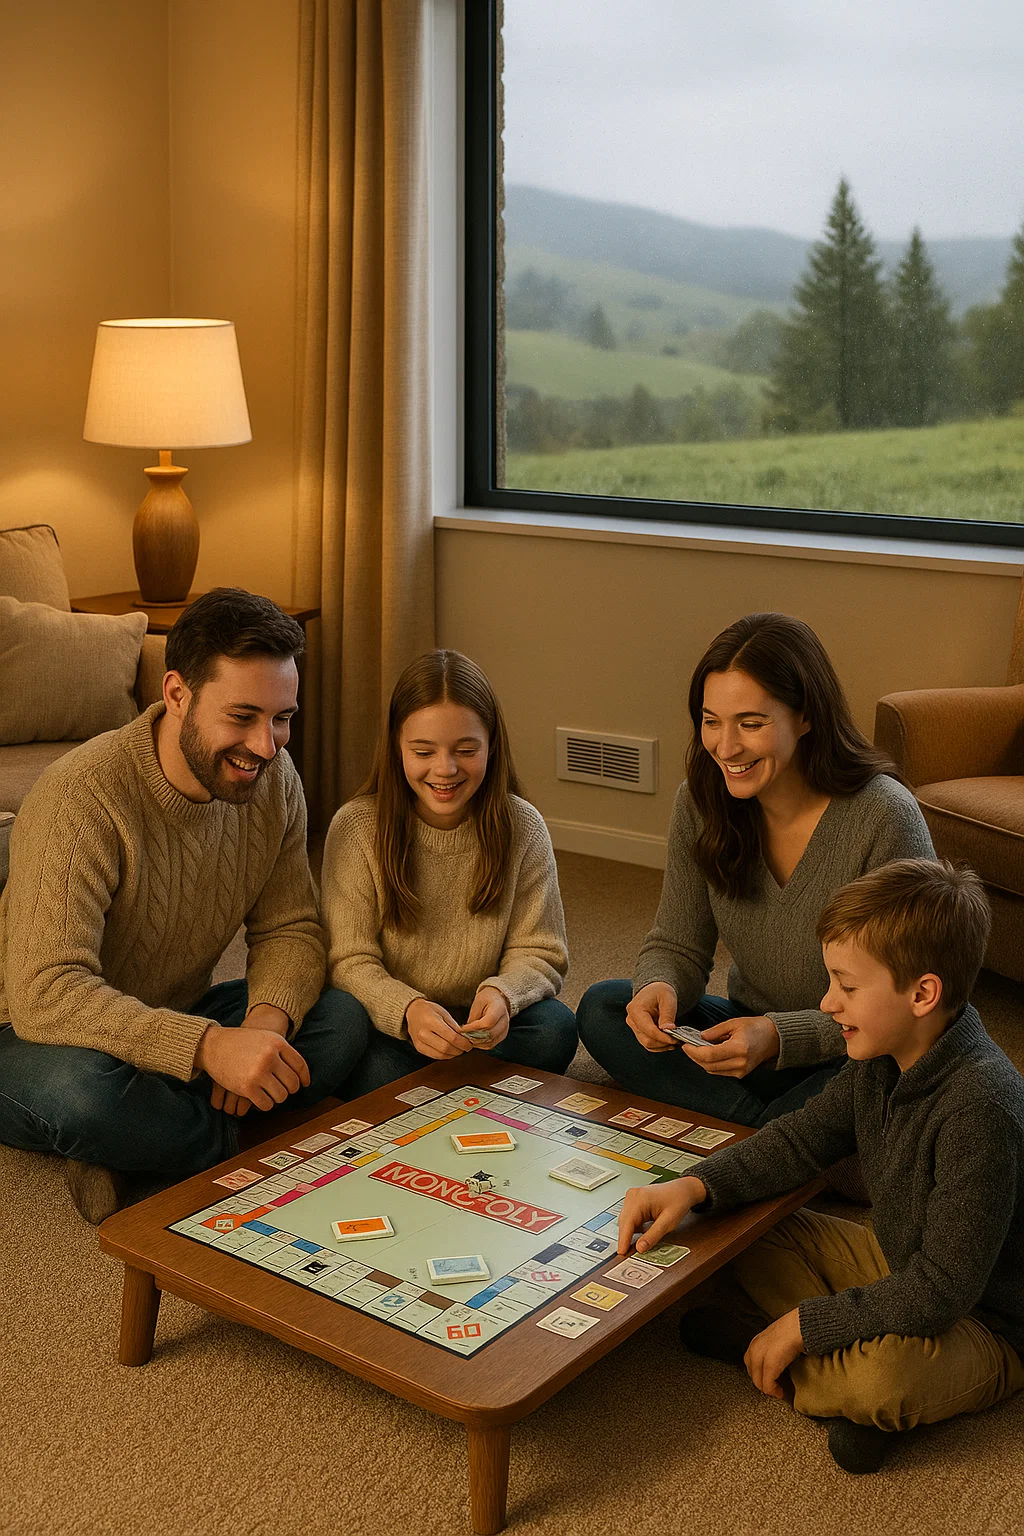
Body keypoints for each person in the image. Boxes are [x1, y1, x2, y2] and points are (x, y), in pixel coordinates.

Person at [617, 859, 1024, 1474]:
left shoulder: (981, 1106)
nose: (827, 1002)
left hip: (988, 1321)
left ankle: (792, 1357)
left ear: (922, 994)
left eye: (846, 985)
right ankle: (821, 1376)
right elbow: (799, 1141)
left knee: (883, 1379)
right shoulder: (880, 1054)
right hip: (903, 1260)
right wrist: (698, 1184)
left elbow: (943, 1292)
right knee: (739, 1227)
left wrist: (805, 1325)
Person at [0, 588, 368, 1223]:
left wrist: (261, 1030)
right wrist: (206, 1050)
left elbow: (292, 930)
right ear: (176, 695)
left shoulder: (275, 781)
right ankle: (255, 1139)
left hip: (176, 1009)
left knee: (343, 1016)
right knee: (86, 1098)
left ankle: (145, 1148)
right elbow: (44, 994)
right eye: (243, 716)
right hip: (34, 1037)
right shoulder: (80, 799)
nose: (267, 743)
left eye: (282, 717)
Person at [576, 611, 933, 1127]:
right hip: (748, 1032)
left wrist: (780, 1037)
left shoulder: (884, 817)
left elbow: (903, 1004)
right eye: (711, 720)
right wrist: (660, 988)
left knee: (877, 1081)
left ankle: (755, 1134)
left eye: (751, 723)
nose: (726, 747)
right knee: (604, 1007)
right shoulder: (699, 803)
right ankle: (768, 1134)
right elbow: (677, 942)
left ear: (805, 716)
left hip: (850, 1049)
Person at [321, 648, 577, 1094]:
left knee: (555, 1028)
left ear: (491, 746)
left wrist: (503, 994)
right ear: (396, 748)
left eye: (465, 750)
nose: (445, 769)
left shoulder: (522, 826)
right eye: (423, 751)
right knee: (352, 1047)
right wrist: (407, 1009)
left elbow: (540, 951)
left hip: (480, 1024)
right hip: (396, 1024)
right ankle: (467, 1088)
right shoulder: (356, 828)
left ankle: (434, 1091)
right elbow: (349, 960)